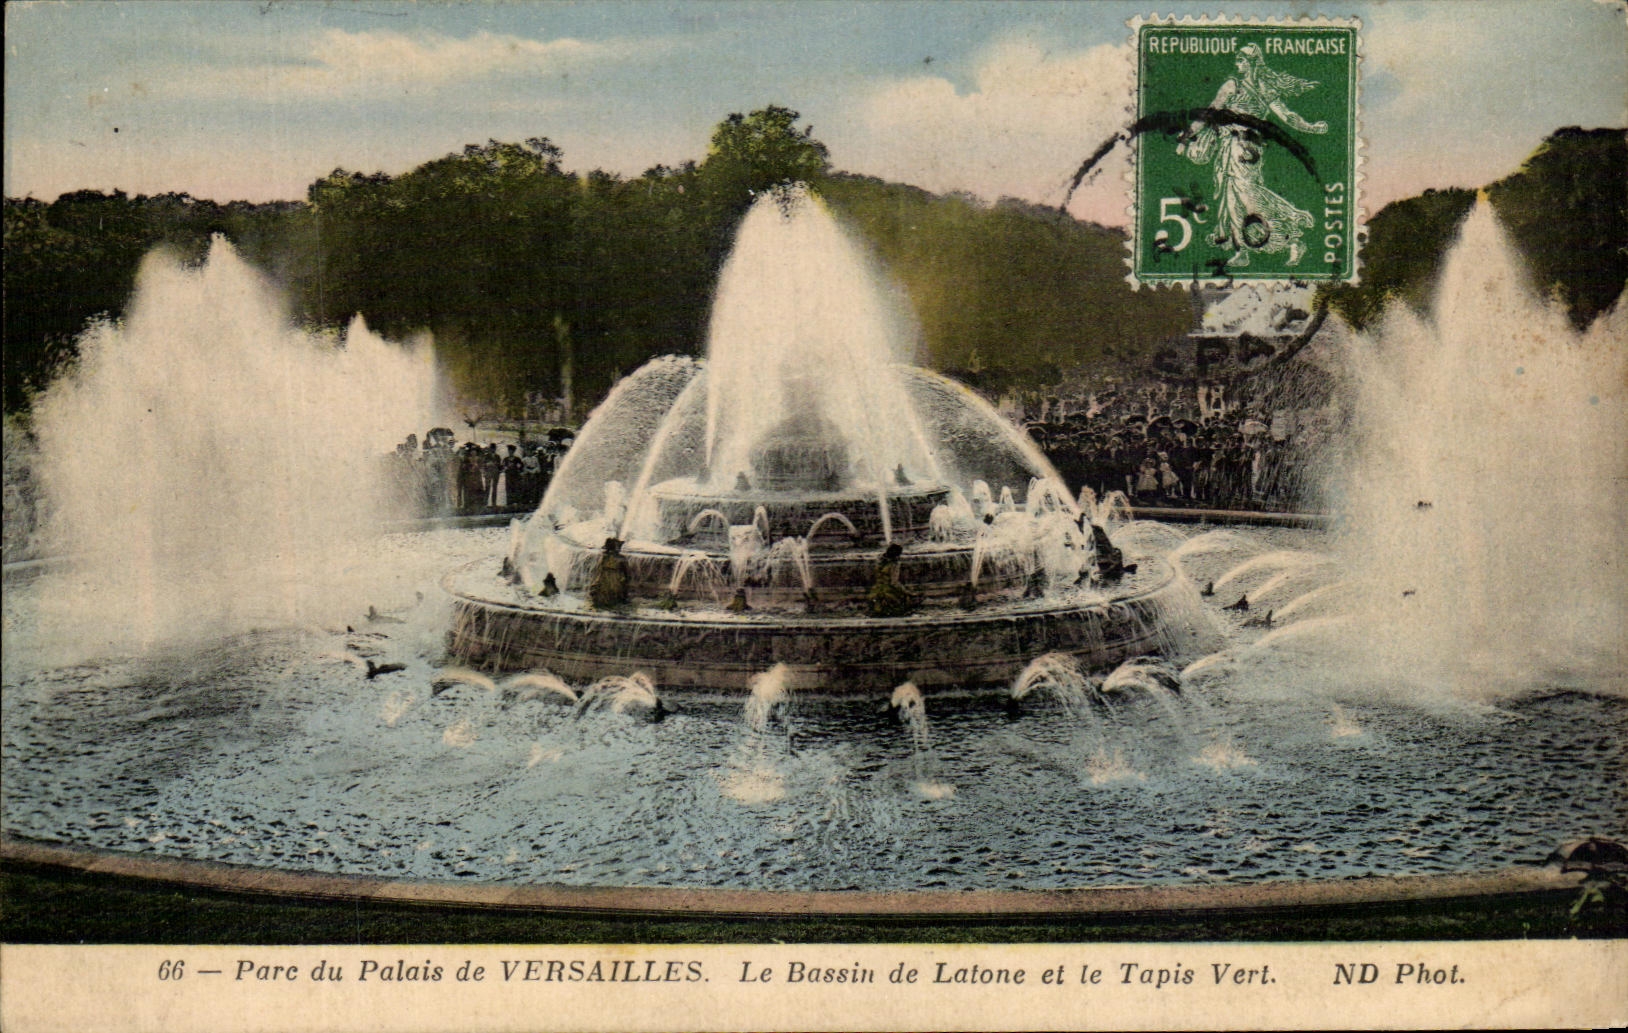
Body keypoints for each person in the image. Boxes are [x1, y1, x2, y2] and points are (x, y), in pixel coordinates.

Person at [1177, 42, 1328, 267]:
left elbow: (1288, 116)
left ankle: (1293, 234)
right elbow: (1209, 113)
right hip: (1229, 147)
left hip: (1247, 149)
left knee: (1248, 195)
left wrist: (1311, 127)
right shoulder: (1231, 85)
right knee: (1232, 198)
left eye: (1242, 60)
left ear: (1253, 63)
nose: (1238, 64)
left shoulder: (1263, 88)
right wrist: (1187, 135)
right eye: (1237, 60)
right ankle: (1242, 252)